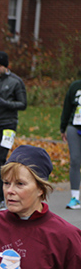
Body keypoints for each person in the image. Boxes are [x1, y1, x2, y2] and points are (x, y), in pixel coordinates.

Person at [0, 51, 27, 213]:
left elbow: (22, 104)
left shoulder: (15, 82)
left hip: (7, 126)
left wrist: (4, 103)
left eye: (0, 66)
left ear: (6, 66)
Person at [59, 77, 81, 209]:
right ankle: (75, 197)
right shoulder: (75, 86)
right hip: (74, 126)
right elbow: (67, 107)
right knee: (75, 160)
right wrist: (63, 128)